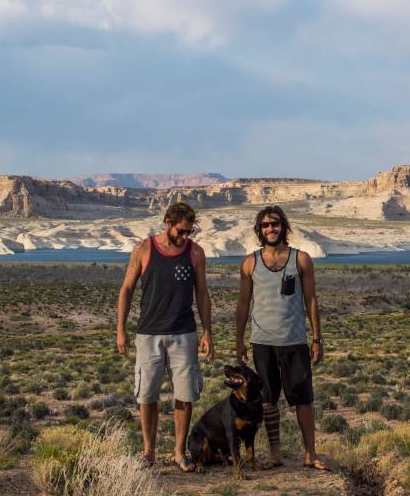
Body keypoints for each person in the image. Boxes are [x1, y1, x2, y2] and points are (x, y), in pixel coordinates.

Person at [116, 202, 214, 471]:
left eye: (189, 232)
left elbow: (202, 294)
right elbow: (126, 290)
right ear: (168, 223)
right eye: (181, 231)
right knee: (146, 395)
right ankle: (148, 452)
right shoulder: (143, 249)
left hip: (184, 334)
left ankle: (179, 452)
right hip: (148, 334)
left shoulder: (195, 253)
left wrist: (207, 332)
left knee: (184, 395)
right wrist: (120, 330)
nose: (185, 237)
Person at [236, 205, 326, 470]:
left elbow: (311, 299)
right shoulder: (250, 262)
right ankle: (275, 453)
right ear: (259, 230)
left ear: (283, 227)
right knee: (267, 400)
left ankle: (310, 452)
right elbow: (243, 303)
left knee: (303, 398)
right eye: (265, 225)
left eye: (274, 224)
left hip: (294, 340)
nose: (270, 229)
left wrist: (317, 338)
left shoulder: (301, 259)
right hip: (262, 341)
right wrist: (239, 340)